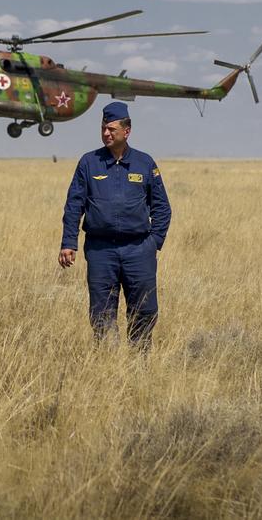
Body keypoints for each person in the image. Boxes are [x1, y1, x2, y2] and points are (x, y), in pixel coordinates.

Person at [59, 101, 171, 347]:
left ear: (127, 131)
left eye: (111, 129)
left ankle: (138, 361)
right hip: (101, 251)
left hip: (139, 250)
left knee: (144, 309)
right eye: (103, 129)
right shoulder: (89, 163)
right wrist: (69, 243)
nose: (106, 133)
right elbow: (74, 205)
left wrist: (154, 242)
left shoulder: (145, 163)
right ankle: (107, 362)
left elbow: (162, 207)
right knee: (101, 311)